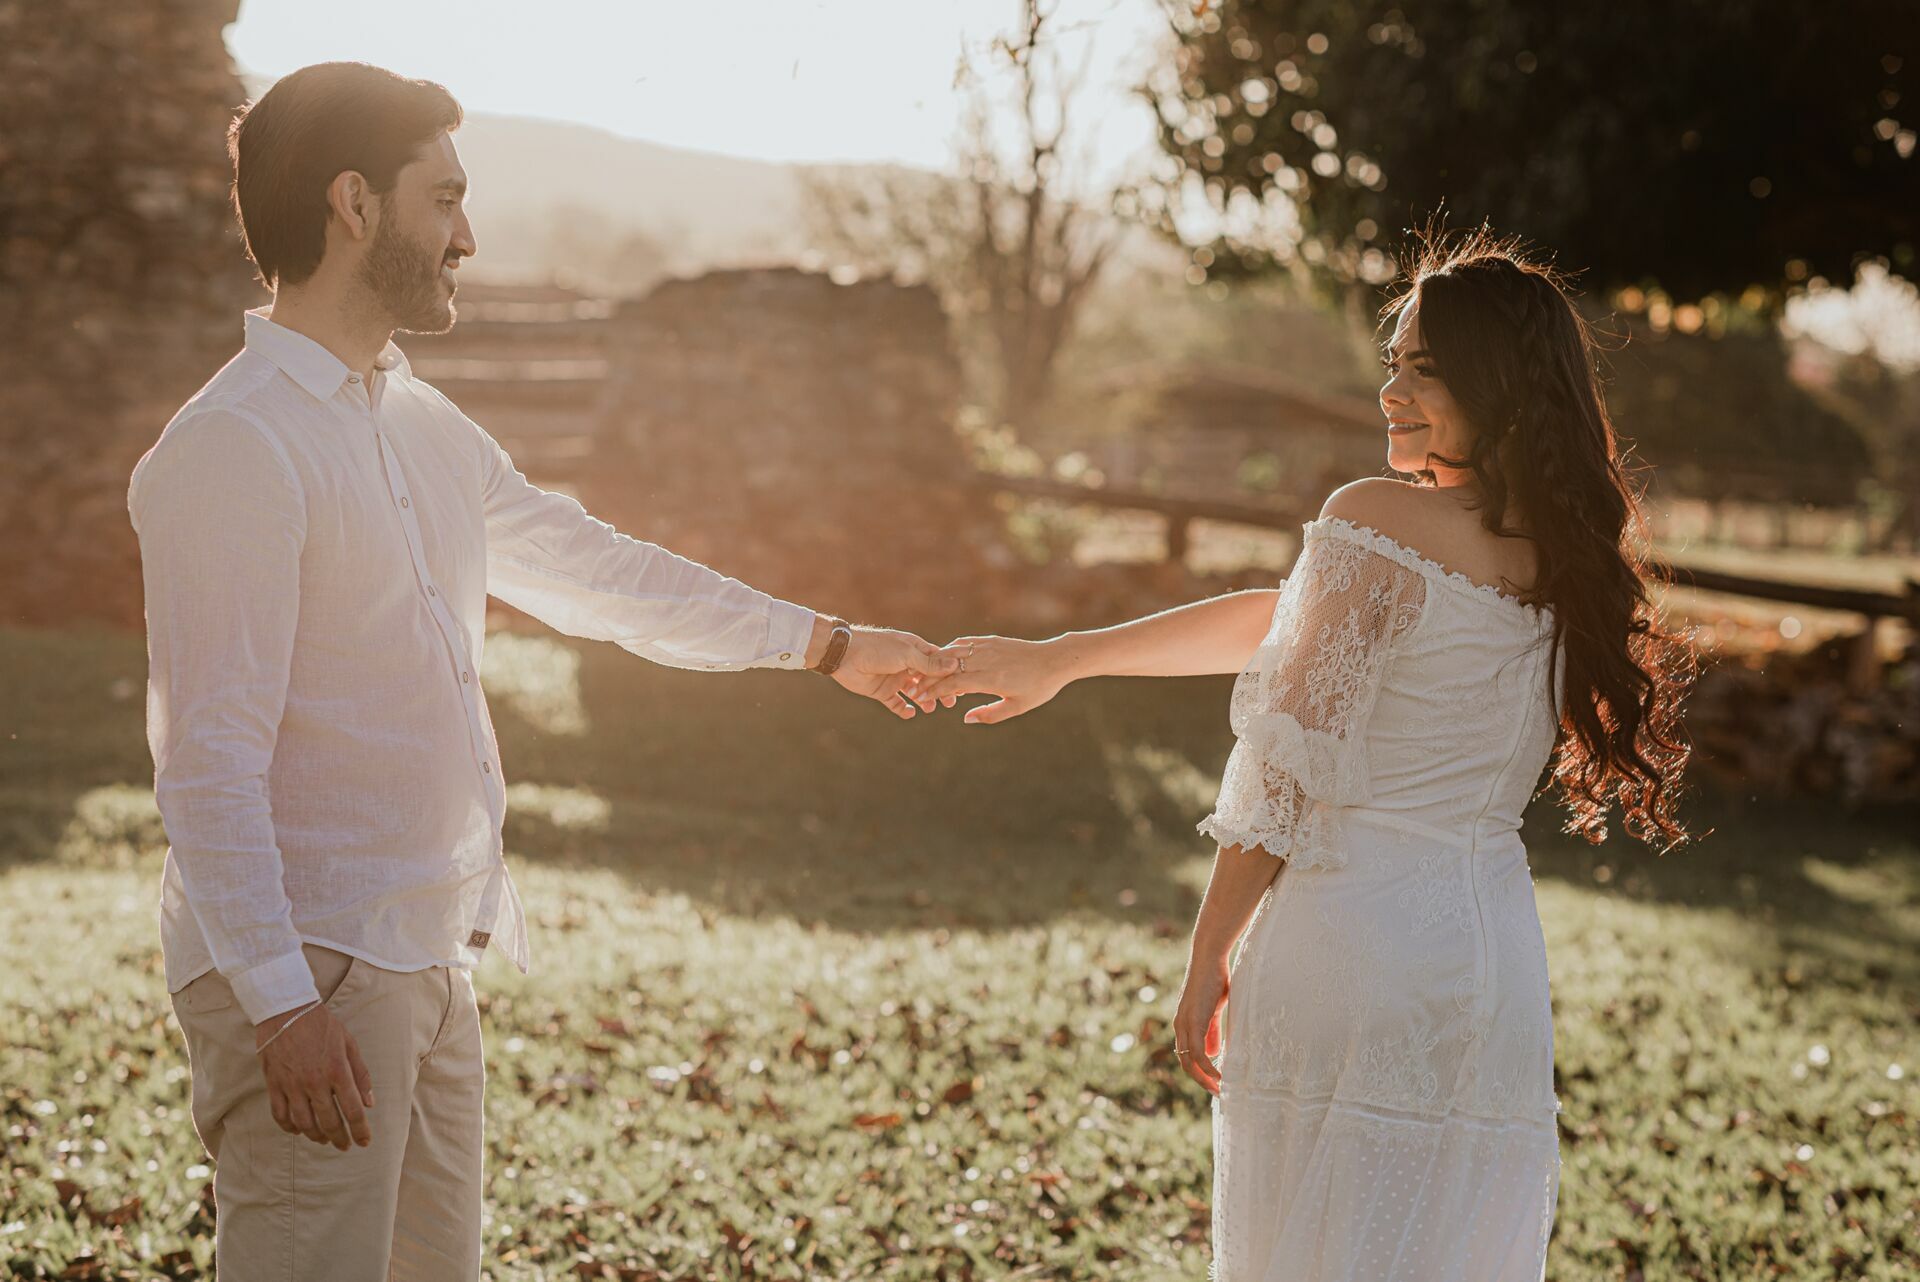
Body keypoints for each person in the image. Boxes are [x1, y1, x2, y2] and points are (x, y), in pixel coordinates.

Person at [127, 61, 953, 1280]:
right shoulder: (234, 445)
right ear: (354, 204)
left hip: (425, 952)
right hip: (311, 970)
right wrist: (281, 1001)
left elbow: (599, 573)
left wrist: (827, 644)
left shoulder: (421, 424)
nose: (467, 236)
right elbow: (207, 761)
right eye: (444, 199)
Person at [916, 230, 1698, 1281]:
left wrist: (1209, 952)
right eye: (1393, 362)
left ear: (1501, 387)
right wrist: (1067, 658)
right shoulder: (1569, 557)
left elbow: (1283, 770)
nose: (1391, 391)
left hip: (1348, 938)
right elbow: (1291, 620)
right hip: (1493, 965)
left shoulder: (1373, 520)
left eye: (1427, 368)